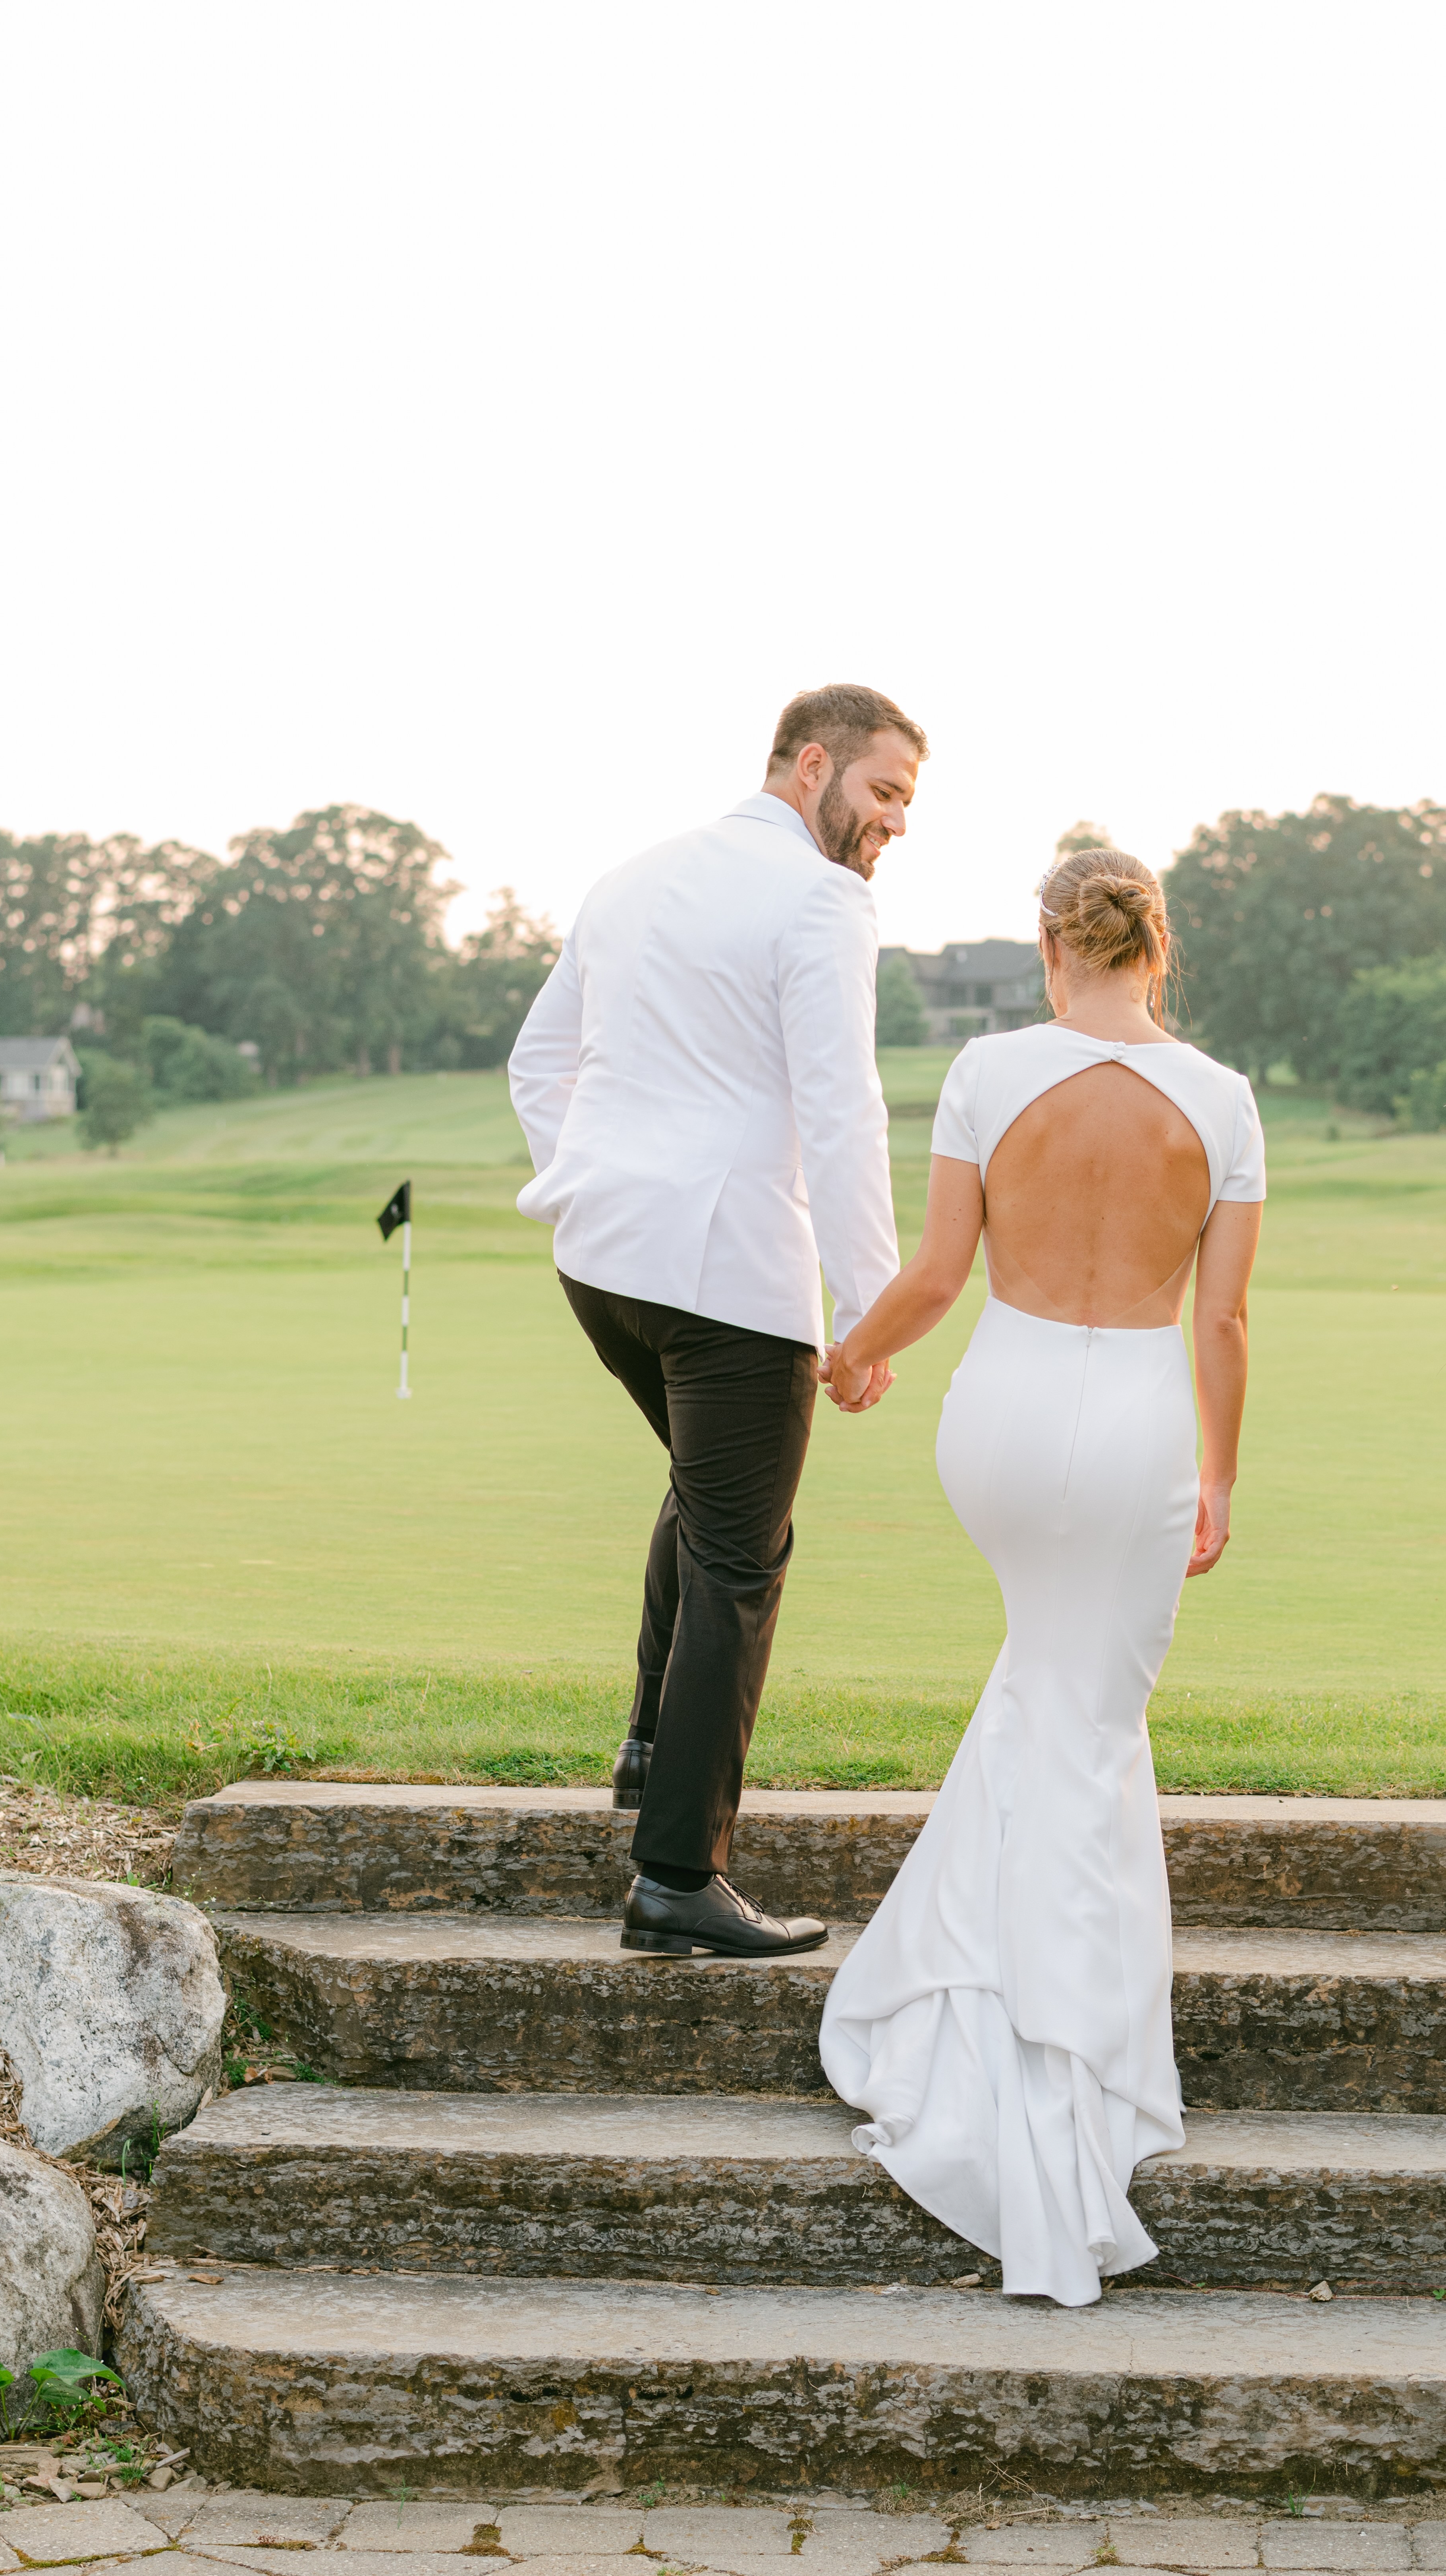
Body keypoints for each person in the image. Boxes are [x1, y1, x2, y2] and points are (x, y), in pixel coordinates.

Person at [817, 847, 1264, 2304]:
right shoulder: (1222, 1099)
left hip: (1001, 1417)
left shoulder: (985, 1069)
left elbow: (939, 1277)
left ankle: (997, 2007)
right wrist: (1222, 1472)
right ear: (1159, 946)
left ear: (1045, 944)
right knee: (1087, 1718)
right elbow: (1224, 1324)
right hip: (1137, 1419)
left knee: (1051, 1694)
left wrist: (857, 1350)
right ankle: (1074, 2064)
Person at [508, 684, 925, 1960]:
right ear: (813, 765)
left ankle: (651, 1749)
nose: (896, 823)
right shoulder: (821, 902)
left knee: (708, 1502)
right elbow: (844, 1108)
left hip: (603, 1264)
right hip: (726, 1279)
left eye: (908, 801)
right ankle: (678, 1876)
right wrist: (871, 1314)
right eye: (885, 792)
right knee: (744, 1558)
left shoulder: (632, 878)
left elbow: (539, 1065)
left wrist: (592, 1180)